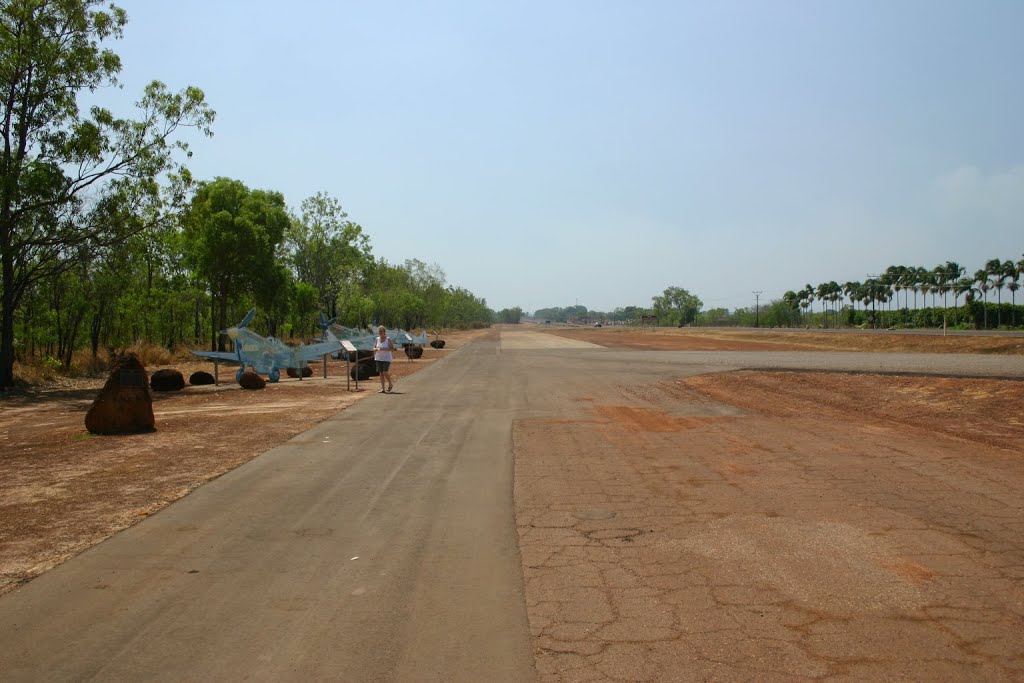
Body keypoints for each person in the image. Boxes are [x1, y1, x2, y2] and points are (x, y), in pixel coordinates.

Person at [373, 326, 395, 393]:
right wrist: (376, 349)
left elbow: (392, 348)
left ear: (384, 332)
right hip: (379, 358)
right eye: (379, 331)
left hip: (386, 358)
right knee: (381, 373)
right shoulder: (377, 339)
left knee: (385, 372)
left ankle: (390, 383)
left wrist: (384, 349)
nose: (380, 333)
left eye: (381, 331)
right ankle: (383, 388)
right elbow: (374, 348)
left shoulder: (388, 339)